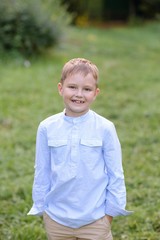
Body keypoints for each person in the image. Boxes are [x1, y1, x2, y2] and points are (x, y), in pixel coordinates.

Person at [28, 58, 133, 240]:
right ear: (61, 88)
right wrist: (43, 210)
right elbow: (42, 171)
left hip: (95, 220)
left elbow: (116, 173)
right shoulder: (46, 127)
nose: (79, 94)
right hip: (57, 220)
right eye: (72, 87)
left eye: (87, 89)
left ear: (95, 93)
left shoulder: (105, 128)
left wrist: (109, 216)